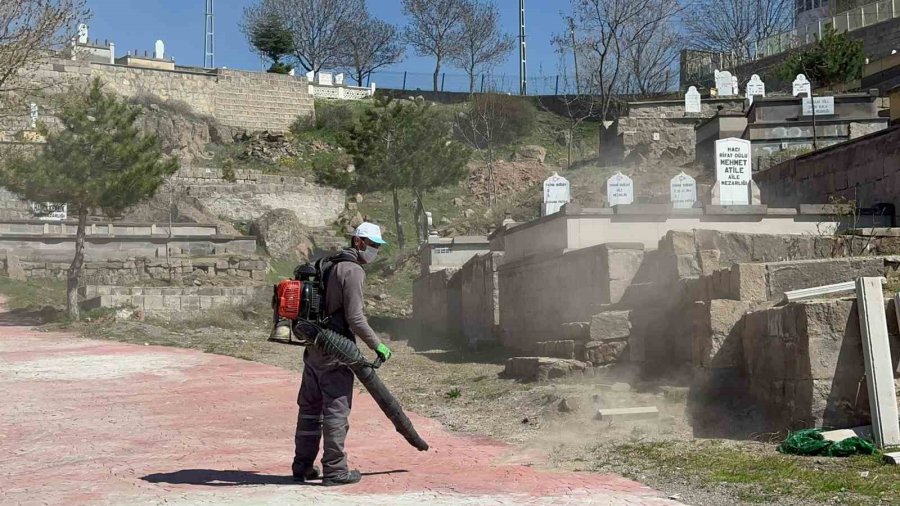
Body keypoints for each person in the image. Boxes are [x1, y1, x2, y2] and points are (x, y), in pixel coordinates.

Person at [292, 222, 393, 486]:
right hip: (336, 353)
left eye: (377, 246)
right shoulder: (352, 270)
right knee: (336, 411)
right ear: (358, 242)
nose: (375, 250)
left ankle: (302, 466)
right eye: (373, 245)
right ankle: (335, 470)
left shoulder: (326, 263)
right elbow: (355, 318)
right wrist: (378, 346)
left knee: (309, 410)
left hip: (314, 348)